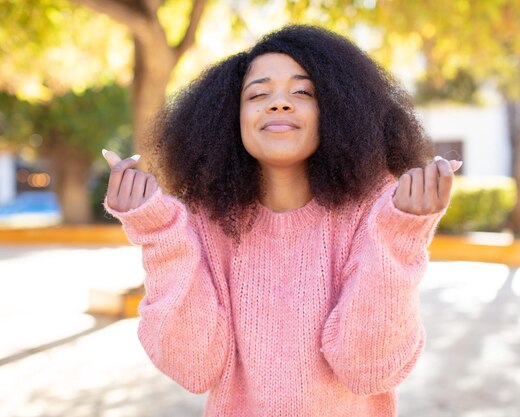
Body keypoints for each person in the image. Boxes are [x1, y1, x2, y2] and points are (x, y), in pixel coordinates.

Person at [102, 25, 462, 417]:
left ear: (338, 110)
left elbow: (369, 370)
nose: (279, 104)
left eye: (302, 92)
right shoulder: (205, 219)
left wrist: (401, 234)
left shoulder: (376, 211)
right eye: (257, 94)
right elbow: (194, 368)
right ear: (228, 118)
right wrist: (157, 234)